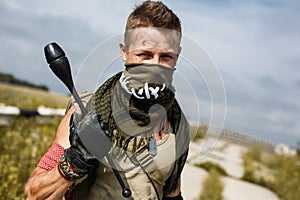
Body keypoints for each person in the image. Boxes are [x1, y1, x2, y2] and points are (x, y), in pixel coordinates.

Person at [25, 1, 190, 199]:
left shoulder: (177, 123)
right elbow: (34, 194)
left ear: (177, 56)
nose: (155, 66)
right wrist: (74, 161)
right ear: (124, 52)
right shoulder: (84, 111)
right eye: (144, 55)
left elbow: (172, 194)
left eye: (165, 57)